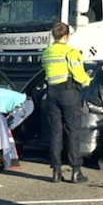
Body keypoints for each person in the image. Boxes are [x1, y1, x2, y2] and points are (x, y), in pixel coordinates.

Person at [42, 21, 91, 183]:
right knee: (72, 131)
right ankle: (76, 171)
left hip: (52, 93)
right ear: (66, 36)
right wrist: (87, 81)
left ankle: (56, 171)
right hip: (68, 92)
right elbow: (79, 74)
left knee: (56, 132)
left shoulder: (47, 52)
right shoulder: (71, 52)